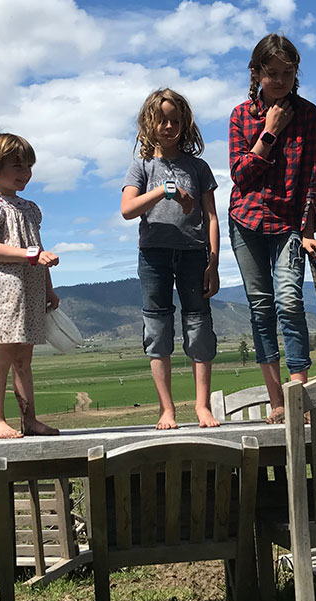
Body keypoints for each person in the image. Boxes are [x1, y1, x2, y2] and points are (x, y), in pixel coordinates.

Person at [228, 33, 316, 423]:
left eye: (288, 72)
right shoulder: (240, 116)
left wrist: (308, 229)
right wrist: (269, 132)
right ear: (256, 73)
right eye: (272, 73)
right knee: (261, 309)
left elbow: (312, 177)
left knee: (288, 301)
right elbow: (240, 177)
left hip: (289, 224)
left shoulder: (308, 114)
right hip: (246, 221)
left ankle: (298, 395)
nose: (281, 80)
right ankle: (277, 402)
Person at [121, 88, 221, 430]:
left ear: (185, 124)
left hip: (194, 254)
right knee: (158, 329)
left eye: (175, 120)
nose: (168, 126)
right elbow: (127, 210)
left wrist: (214, 262)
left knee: (199, 328)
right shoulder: (142, 166)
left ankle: (202, 407)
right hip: (154, 257)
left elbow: (211, 217)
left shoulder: (198, 166)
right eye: (162, 120)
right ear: (149, 123)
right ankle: (167, 410)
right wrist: (164, 190)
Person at [0, 133, 61, 439]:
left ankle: (30, 420)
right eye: (16, 165)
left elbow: (37, 246)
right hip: (5, 292)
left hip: (32, 290)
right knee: (3, 357)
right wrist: (32, 255)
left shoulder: (30, 208)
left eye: (28, 166)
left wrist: (49, 288)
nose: (25, 172)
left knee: (25, 358)